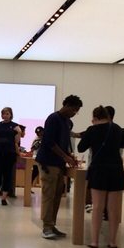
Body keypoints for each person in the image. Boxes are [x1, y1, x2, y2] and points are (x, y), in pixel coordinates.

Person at [77, 105, 124, 248]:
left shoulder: (92, 130)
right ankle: (113, 242)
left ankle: (95, 241)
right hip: (116, 170)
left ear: (95, 117)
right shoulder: (117, 128)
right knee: (113, 209)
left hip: (99, 170)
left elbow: (81, 148)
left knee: (97, 207)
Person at [37, 95, 83, 238]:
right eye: (74, 110)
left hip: (59, 164)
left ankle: (52, 224)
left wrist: (69, 155)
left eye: (77, 111)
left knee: (57, 195)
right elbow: (50, 142)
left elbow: (64, 143)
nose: (74, 113)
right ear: (67, 105)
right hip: (48, 162)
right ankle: (46, 227)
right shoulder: (53, 119)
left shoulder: (67, 122)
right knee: (49, 195)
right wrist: (65, 157)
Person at [0, 106, 20, 205]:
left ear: (11, 115)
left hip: (9, 153)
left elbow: (16, 141)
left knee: (7, 174)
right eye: (3, 114)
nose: (5, 115)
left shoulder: (15, 126)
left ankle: (4, 197)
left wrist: (19, 132)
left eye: (7, 114)